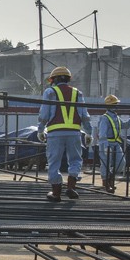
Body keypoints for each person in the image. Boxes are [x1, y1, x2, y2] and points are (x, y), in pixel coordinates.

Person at [37, 66, 92, 201]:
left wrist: (40, 130)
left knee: (54, 161)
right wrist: (89, 132)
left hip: (55, 133)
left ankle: (56, 193)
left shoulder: (50, 92)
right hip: (74, 133)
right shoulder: (77, 93)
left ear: (54, 79)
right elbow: (84, 115)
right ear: (68, 79)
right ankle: (71, 187)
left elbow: (44, 113)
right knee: (75, 160)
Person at [97, 94, 130, 194]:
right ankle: (106, 184)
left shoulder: (116, 117)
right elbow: (102, 135)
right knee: (105, 165)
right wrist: (106, 147)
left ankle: (110, 177)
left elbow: (125, 125)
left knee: (121, 163)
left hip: (115, 144)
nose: (116, 106)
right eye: (114, 104)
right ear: (109, 106)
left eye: (116, 104)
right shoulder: (105, 118)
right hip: (106, 144)